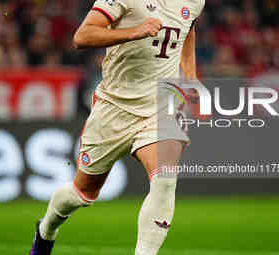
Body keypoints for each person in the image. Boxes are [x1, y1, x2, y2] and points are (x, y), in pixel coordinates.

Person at [29, 0, 205, 254]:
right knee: (82, 193)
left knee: (165, 179)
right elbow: (82, 36)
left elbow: (188, 25)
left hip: (159, 105)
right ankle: (46, 230)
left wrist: (189, 74)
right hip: (114, 109)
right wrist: (133, 32)